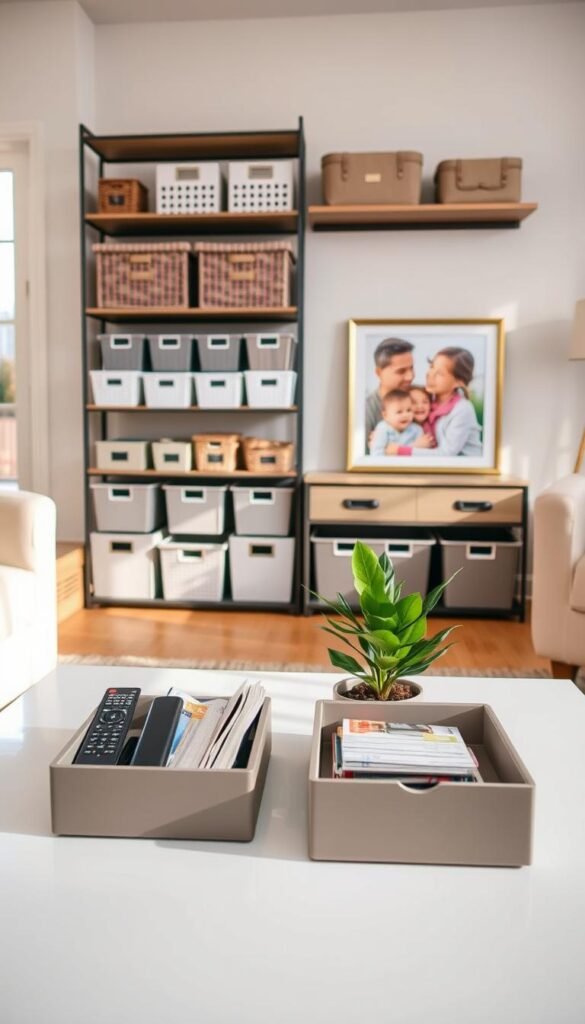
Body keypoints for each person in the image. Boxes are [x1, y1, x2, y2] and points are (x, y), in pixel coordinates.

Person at [422, 347, 482, 456]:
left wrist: (403, 451)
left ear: (459, 382)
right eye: (431, 367)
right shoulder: (427, 403)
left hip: (465, 469)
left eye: (439, 373)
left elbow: (446, 453)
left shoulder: (463, 409)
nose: (430, 374)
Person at [365, 338, 415, 444]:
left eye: (411, 368)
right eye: (401, 371)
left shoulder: (421, 395)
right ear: (379, 372)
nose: (410, 377)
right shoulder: (366, 410)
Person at [370, 390, 423, 455]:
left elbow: (420, 452)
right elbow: (376, 452)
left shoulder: (416, 429)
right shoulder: (383, 428)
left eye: (409, 410)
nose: (405, 415)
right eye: (399, 412)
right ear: (385, 415)